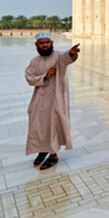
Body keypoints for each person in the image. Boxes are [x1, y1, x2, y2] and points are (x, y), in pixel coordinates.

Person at [24, 32, 80, 170]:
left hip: (55, 98)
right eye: (41, 43)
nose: (44, 45)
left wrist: (72, 53)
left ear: (51, 43)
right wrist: (45, 76)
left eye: (47, 42)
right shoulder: (35, 61)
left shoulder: (58, 56)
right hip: (39, 99)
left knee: (52, 125)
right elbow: (29, 78)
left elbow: (67, 58)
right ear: (36, 45)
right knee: (38, 125)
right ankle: (42, 150)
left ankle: (53, 155)